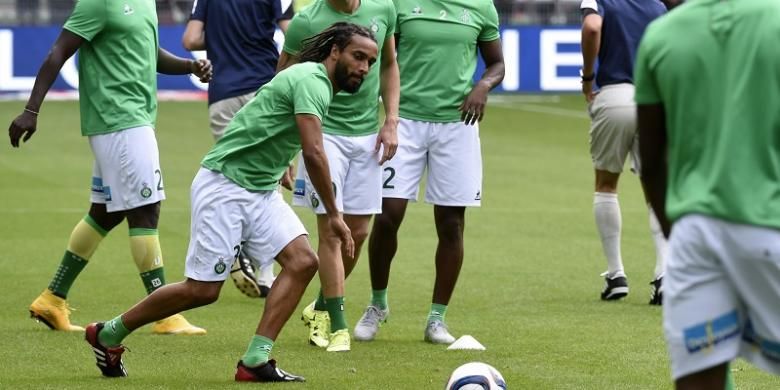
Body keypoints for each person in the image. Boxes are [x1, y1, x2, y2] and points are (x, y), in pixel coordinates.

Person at [82, 22, 377, 382]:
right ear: (335, 52)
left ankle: (255, 361)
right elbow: (315, 152)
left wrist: (278, 157)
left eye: (370, 62)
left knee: (302, 262)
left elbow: (263, 108)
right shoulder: (313, 81)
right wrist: (334, 214)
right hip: (225, 185)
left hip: (261, 189)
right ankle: (108, 333)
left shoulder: (313, 81)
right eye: (358, 57)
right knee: (202, 290)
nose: (364, 68)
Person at [9, 0, 212, 335]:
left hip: (132, 120)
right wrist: (31, 110)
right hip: (118, 121)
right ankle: (165, 313)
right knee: (146, 210)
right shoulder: (99, 3)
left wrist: (189, 67)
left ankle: (52, 299)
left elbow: (150, 52)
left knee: (105, 212)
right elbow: (58, 52)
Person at [636, 0, 780, 388]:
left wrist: (676, 233)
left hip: (695, 235)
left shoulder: (661, 34)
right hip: (770, 225)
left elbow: (650, 162)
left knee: (700, 379)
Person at [356, 0, 504, 344]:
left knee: (451, 223)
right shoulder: (400, 4)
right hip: (403, 121)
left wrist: (483, 86)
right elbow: (382, 58)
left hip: (457, 125)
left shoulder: (482, 6)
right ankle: (378, 304)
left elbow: (497, 63)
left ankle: (437, 319)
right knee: (388, 216)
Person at [277, 0, 399, 352]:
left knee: (358, 233)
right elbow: (282, 76)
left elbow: (390, 65)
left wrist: (391, 121)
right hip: (322, 133)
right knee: (331, 230)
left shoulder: (384, 9)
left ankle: (319, 306)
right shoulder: (306, 22)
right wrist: (285, 145)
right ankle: (339, 328)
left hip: (367, 136)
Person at [182, 0, 295, 299]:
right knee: (267, 173)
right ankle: (266, 272)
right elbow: (293, 34)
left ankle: (231, 249)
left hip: (223, 93)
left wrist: (223, 37)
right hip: (264, 88)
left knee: (230, 176)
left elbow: (191, 39)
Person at [579, 0, 667, 303]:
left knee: (606, 185)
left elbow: (592, 27)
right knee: (656, 189)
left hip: (614, 93)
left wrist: (588, 76)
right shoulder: (658, 4)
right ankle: (664, 274)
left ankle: (616, 275)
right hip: (654, 98)